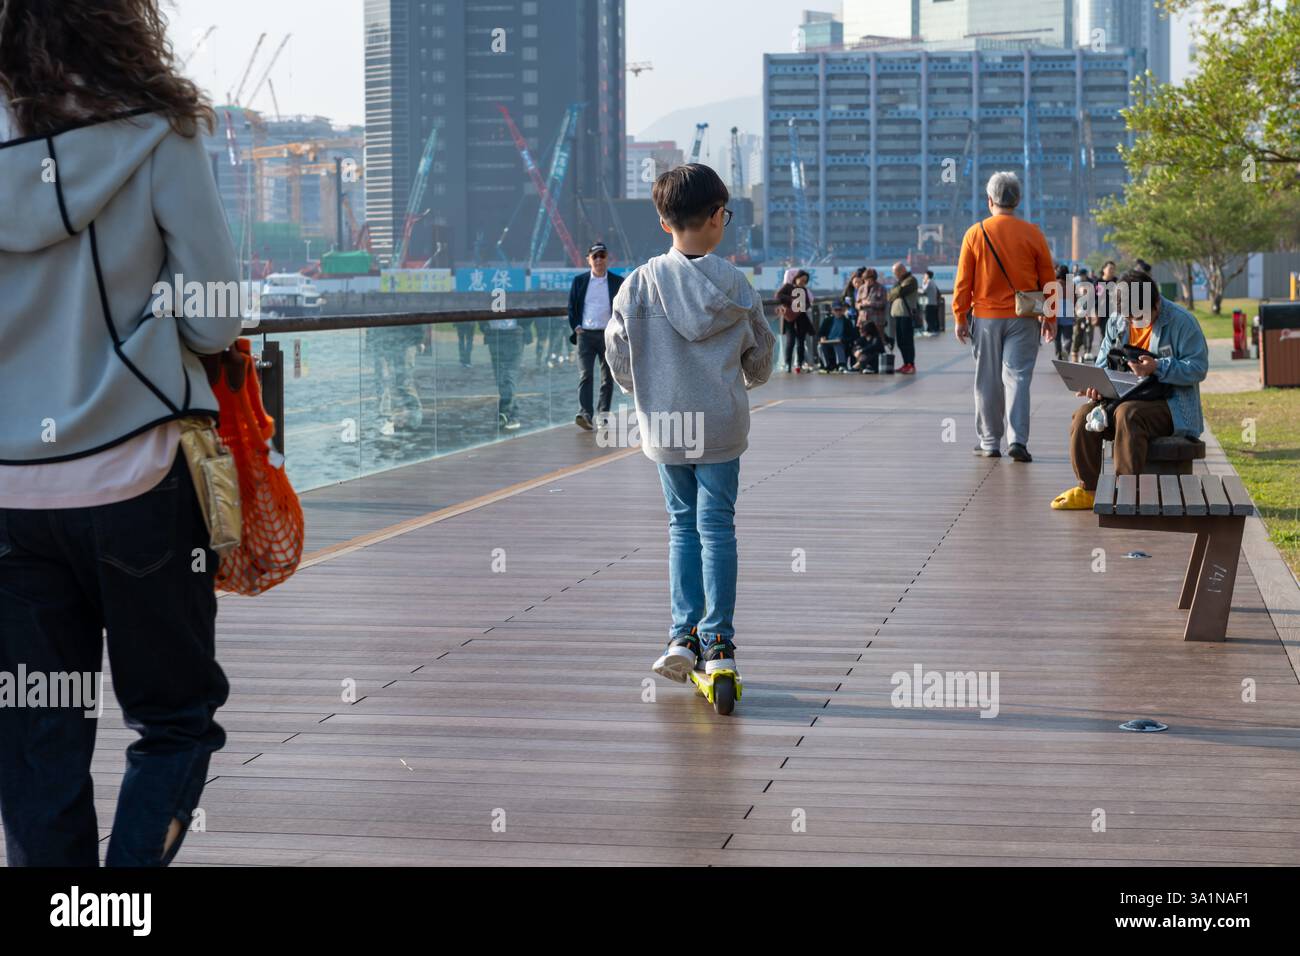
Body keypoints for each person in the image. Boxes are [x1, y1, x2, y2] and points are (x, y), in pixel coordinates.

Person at [0, 0, 242, 867]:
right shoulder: (158, 131)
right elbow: (217, 317)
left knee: (33, 737)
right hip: (139, 474)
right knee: (173, 722)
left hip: (7, 496)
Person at [604, 163, 775, 684]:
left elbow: (617, 353)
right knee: (717, 527)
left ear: (663, 221)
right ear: (718, 217)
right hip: (721, 423)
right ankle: (718, 638)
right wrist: (745, 376)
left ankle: (682, 635)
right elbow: (762, 356)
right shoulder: (736, 285)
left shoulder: (637, 286)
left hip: (667, 424)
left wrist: (647, 391)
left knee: (681, 527)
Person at [1052, 269, 1209, 509]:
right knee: (1083, 416)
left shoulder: (1181, 322)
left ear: (1156, 304)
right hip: (1120, 399)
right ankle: (1089, 490)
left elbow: (1198, 368)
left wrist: (1157, 367)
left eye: (1139, 316)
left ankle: (1125, 490)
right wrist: (1096, 387)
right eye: (1129, 318)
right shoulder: (1118, 319)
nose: (1133, 321)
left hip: (1170, 405)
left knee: (1128, 414)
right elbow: (1103, 363)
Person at [952, 171, 1056, 462]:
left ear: (989, 200)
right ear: (1017, 200)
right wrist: (1051, 317)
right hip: (1025, 316)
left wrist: (960, 316)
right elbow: (1048, 279)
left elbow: (963, 282)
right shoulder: (1033, 233)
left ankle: (989, 442)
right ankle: (1017, 440)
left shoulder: (975, 233)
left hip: (985, 317)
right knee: (1018, 378)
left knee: (987, 380)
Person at [567, 242, 624, 430]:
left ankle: (603, 415)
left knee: (608, 377)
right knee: (585, 374)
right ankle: (585, 414)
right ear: (588, 260)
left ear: (608, 258)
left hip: (608, 335)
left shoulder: (617, 281)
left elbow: (623, 307)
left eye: (602, 256)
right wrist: (575, 326)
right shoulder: (580, 281)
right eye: (595, 256)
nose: (599, 260)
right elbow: (572, 306)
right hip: (585, 335)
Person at [481, 317, 530, 431]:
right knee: (500, 376)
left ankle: (505, 412)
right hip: (494, 334)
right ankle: (513, 414)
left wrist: (523, 325)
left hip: (513, 334)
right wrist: (484, 326)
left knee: (509, 374)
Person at [776, 268, 813, 373]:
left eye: (805, 280)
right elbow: (778, 295)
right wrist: (792, 301)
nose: (803, 282)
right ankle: (788, 363)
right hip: (789, 318)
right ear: (796, 278)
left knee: (801, 342)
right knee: (790, 341)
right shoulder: (788, 287)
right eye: (802, 279)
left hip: (801, 318)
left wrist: (803, 306)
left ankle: (800, 364)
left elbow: (808, 303)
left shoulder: (804, 290)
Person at [888, 261, 920, 375]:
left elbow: (899, 292)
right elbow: (889, 295)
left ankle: (911, 364)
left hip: (906, 315)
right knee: (901, 342)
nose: (894, 275)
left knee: (907, 341)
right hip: (898, 315)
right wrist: (894, 292)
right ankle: (905, 363)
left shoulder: (911, 280)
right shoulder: (900, 282)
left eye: (895, 272)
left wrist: (894, 291)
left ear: (901, 270)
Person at [1071, 264, 1098, 362]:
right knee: (1078, 332)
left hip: (1090, 312)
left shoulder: (1092, 284)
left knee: (1090, 333)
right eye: (1080, 275)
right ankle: (1075, 350)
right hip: (1079, 313)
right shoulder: (1076, 284)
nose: (1082, 277)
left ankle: (1087, 351)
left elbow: (1093, 300)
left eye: (1083, 275)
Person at [856, 267, 887, 348]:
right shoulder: (861, 288)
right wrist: (861, 305)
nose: (868, 282)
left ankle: (880, 358)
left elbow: (883, 303)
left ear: (874, 279)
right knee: (863, 340)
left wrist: (870, 303)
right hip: (863, 320)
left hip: (877, 320)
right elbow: (856, 304)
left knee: (878, 341)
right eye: (866, 279)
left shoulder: (881, 288)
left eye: (870, 279)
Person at [818, 302, 852, 373]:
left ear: (843, 310)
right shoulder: (827, 320)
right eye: (836, 310)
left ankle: (841, 365)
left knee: (838, 345)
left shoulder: (847, 322)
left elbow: (851, 336)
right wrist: (822, 337)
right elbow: (821, 332)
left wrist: (842, 339)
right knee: (820, 347)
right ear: (832, 311)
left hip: (841, 342)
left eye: (840, 310)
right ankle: (826, 365)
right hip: (828, 342)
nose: (838, 312)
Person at [1054, 264, 1076, 361]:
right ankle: (1065, 351)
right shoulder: (1071, 285)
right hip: (1067, 312)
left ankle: (1059, 353)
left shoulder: (1053, 283)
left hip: (1055, 312)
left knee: (1056, 336)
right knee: (1068, 337)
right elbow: (1074, 300)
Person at [920, 269, 941, 336]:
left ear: (927, 275)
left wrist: (923, 282)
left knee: (928, 317)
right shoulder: (933, 282)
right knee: (933, 317)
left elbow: (924, 290)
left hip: (929, 303)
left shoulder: (928, 281)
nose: (924, 276)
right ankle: (934, 329)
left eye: (925, 275)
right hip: (934, 303)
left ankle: (931, 330)